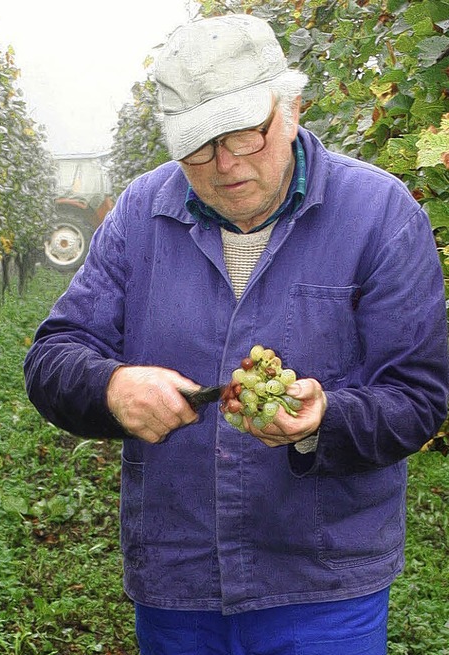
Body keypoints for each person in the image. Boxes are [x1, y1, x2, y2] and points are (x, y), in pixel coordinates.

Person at [24, 13, 449, 655]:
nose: (224, 164)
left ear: (293, 105)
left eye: (247, 135)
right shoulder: (139, 215)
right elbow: (51, 359)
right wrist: (111, 387)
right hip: (177, 579)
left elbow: (418, 398)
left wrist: (326, 419)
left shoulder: (381, 216)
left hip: (325, 589)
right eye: (198, 146)